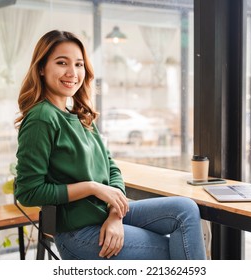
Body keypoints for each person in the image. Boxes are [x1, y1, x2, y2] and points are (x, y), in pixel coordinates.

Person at [14, 30, 206, 260]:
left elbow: (112, 168)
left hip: (104, 215)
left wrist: (116, 213)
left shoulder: (79, 115)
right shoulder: (42, 118)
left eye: (79, 64)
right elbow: (28, 192)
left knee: (185, 210)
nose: (72, 73)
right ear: (42, 68)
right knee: (177, 247)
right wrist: (93, 187)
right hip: (79, 231)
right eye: (61, 63)